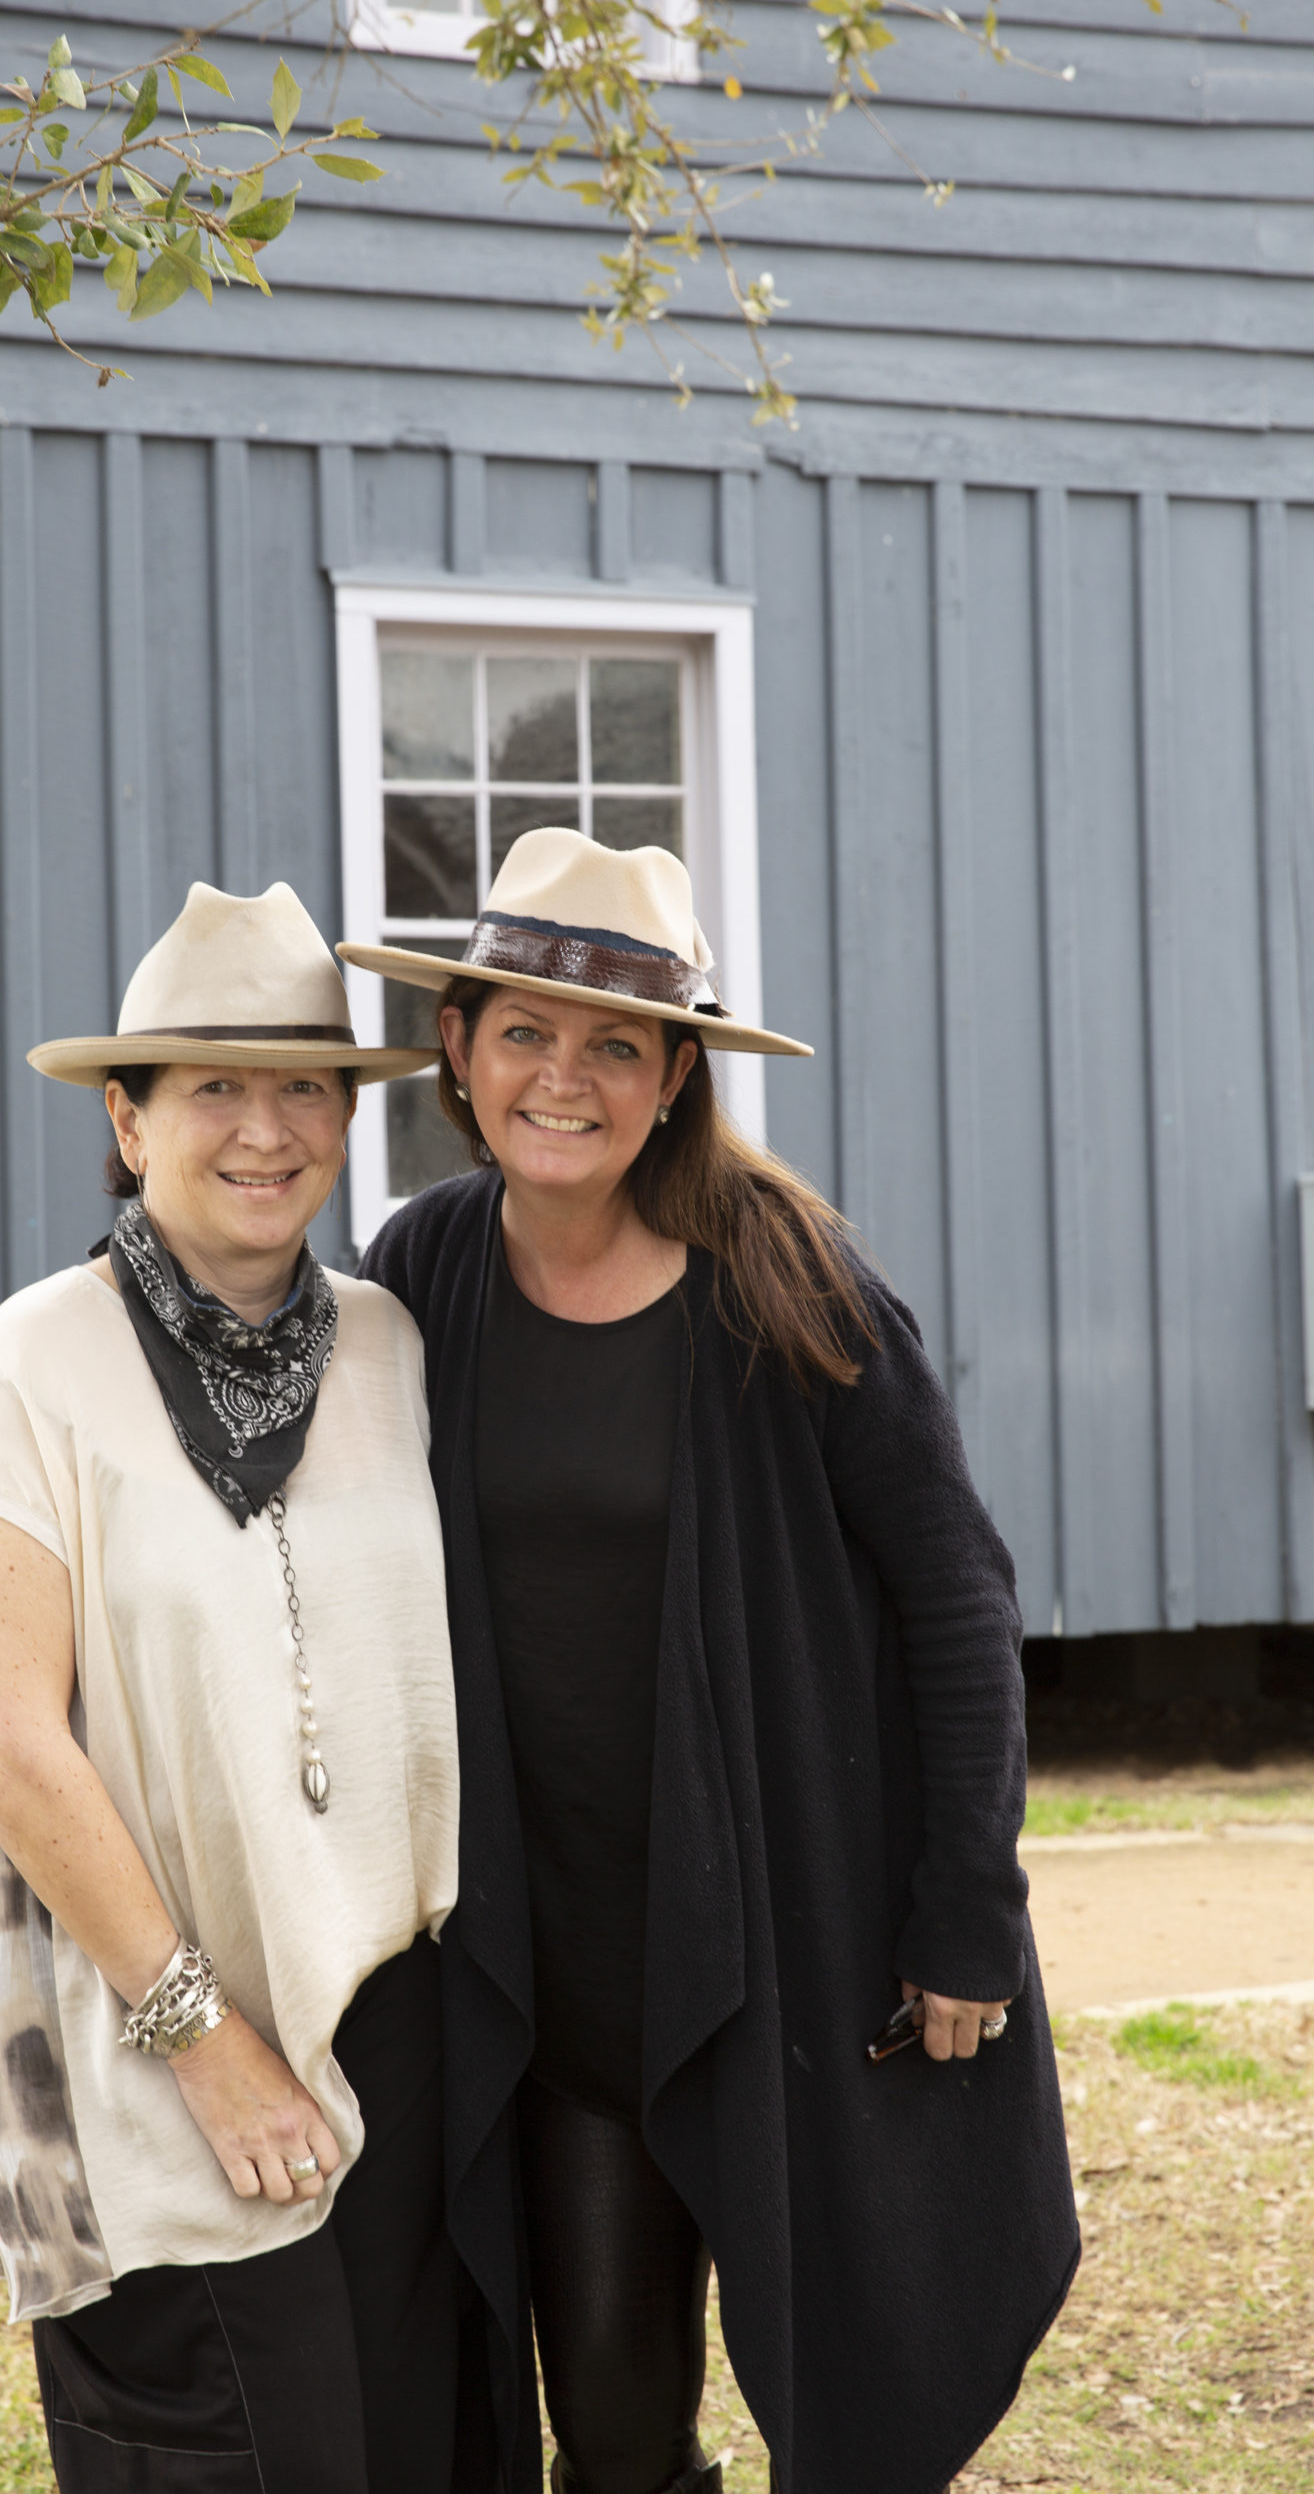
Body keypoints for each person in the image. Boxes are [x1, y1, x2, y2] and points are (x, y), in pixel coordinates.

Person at [341, 829, 1080, 2494]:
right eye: (522, 1031)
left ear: (676, 1075)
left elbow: (959, 1598)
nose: (563, 1077)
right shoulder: (419, 1275)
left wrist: (967, 1911)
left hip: (789, 1950)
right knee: (608, 2424)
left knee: (863, 2374)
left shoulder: (788, 1283)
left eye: (616, 1043)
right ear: (456, 1048)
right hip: (556, 1974)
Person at [0, 881, 465, 2494]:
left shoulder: (388, 1349)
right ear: (126, 1122)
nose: (266, 1129)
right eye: (211, 1085)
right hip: (164, 2050)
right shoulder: (34, 1365)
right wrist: (208, 2046)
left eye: (305, 1087)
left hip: (400, 2031)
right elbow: (2, 1738)